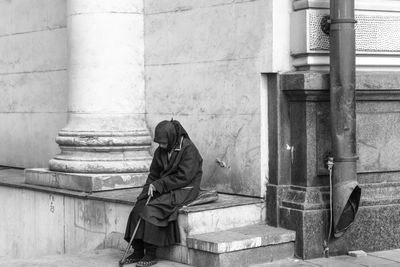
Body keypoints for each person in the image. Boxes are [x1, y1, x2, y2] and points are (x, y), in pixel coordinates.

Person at [123, 120, 203, 266]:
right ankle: (138, 250)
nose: (160, 146)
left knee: (152, 210)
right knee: (139, 208)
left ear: (172, 138)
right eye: (159, 143)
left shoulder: (188, 149)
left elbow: (184, 177)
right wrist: (144, 193)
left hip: (184, 188)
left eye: (163, 143)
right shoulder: (161, 151)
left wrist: (160, 184)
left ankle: (151, 253)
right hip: (165, 186)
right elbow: (153, 175)